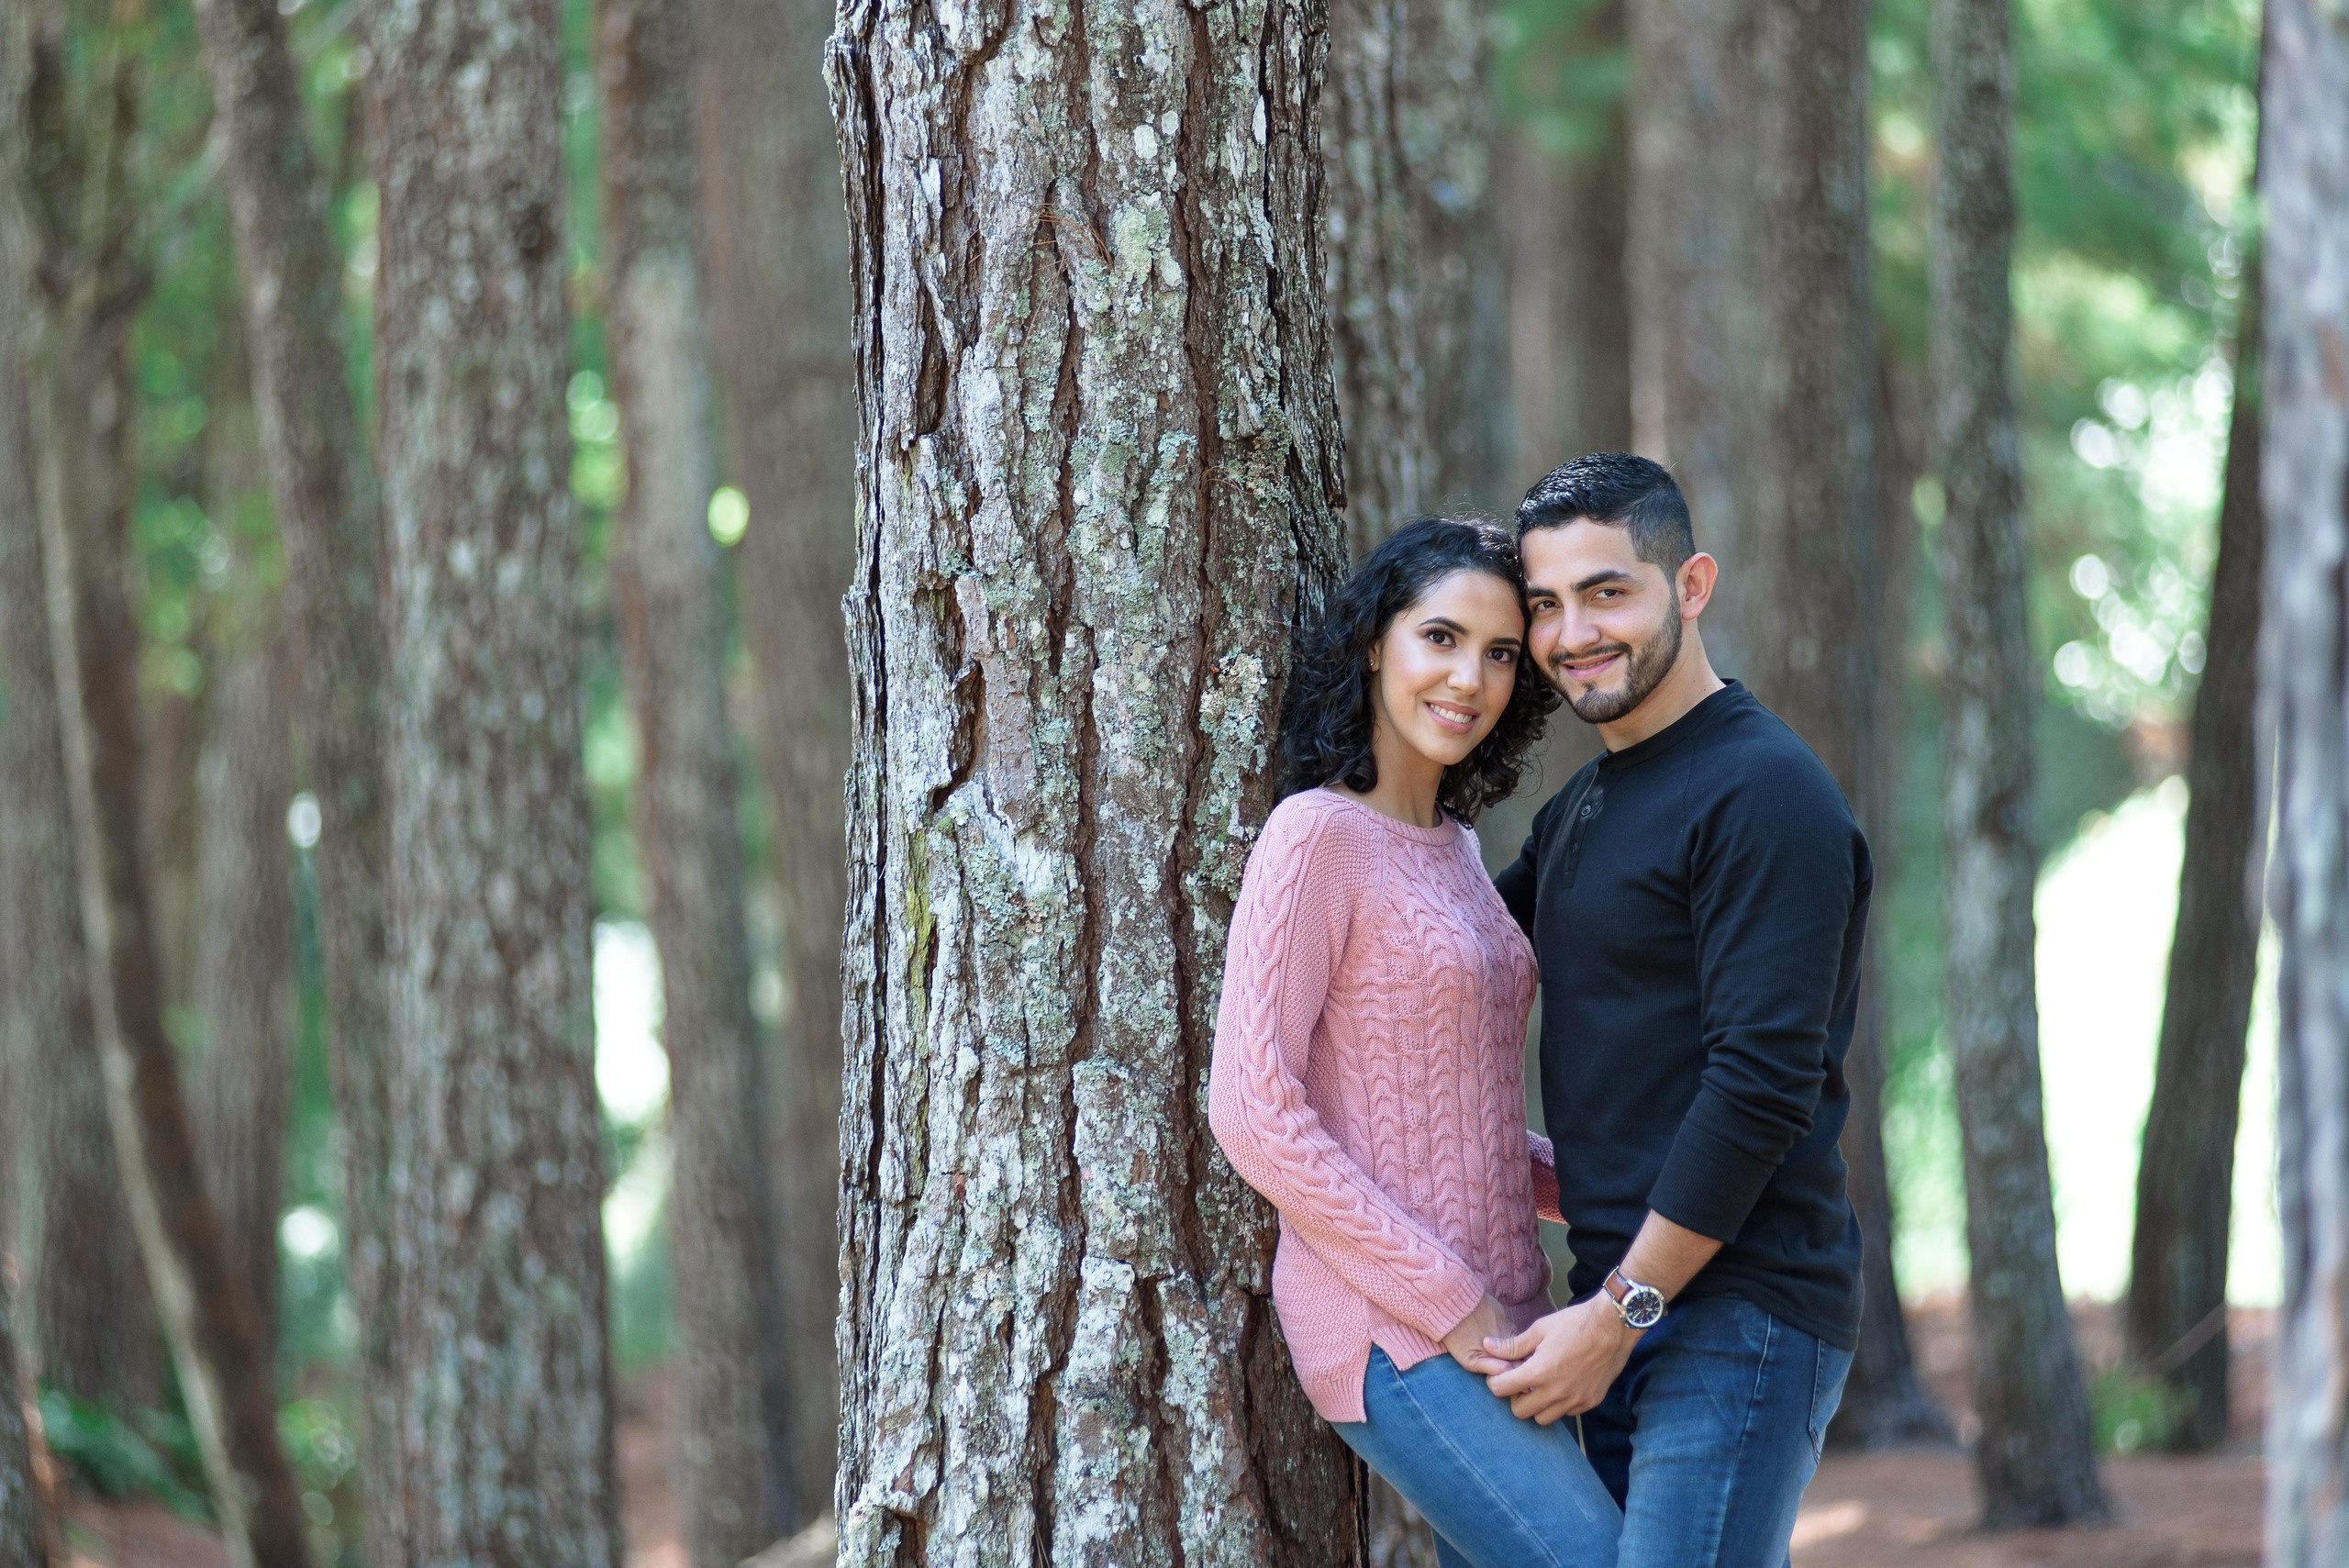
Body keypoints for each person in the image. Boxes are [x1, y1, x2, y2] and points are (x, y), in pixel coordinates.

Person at [1208, 517, 1621, 1568]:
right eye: (1439, 637)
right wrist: (1447, 1300)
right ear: (1371, 644)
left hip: (1504, 1313)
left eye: (1498, 653)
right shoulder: (1316, 835)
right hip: (1395, 1325)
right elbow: (1252, 1108)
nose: (1468, 678)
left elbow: (1455, 1118)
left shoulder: (1456, 849)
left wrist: (1613, 1191)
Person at [1484, 452, 1866, 1568]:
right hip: (1616, 1299)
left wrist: (1619, 1314)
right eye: (1545, 605)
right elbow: (1458, 955)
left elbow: (1760, 1085)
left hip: (1737, 1312)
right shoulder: (1583, 805)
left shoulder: (1764, 792)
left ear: (1690, 585)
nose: (1572, 634)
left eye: (1607, 592)